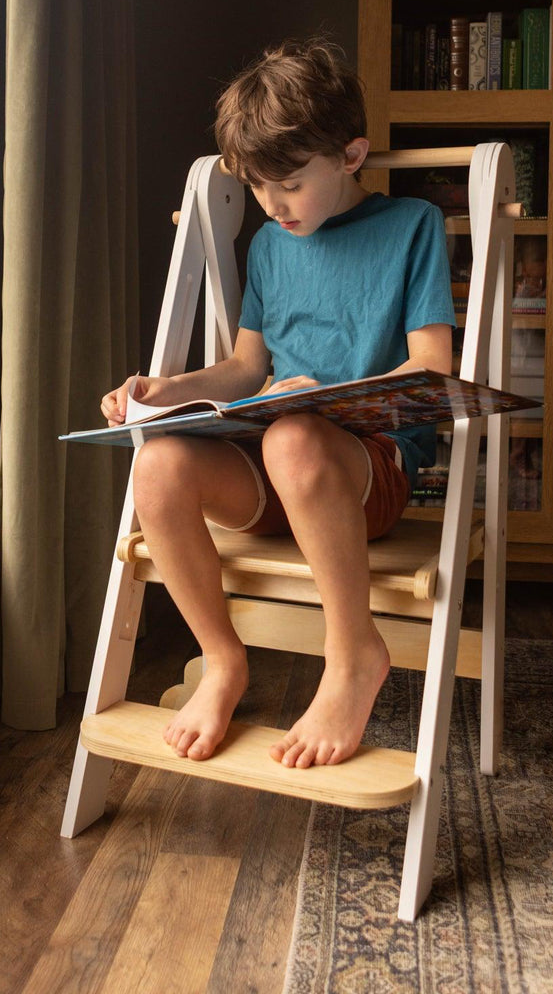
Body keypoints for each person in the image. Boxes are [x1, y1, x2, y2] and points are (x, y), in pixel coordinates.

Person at [100, 37, 455, 769]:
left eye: (289, 183)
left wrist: (323, 397)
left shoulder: (412, 225)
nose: (272, 204)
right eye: (258, 186)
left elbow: (431, 371)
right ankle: (223, 659)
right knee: (161, 463)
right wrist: (171, 390)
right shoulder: (269, 245)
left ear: (351, 157)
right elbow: (246, 366)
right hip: (271, 470)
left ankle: (354, 651)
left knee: (294, 435)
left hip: (366, 474)